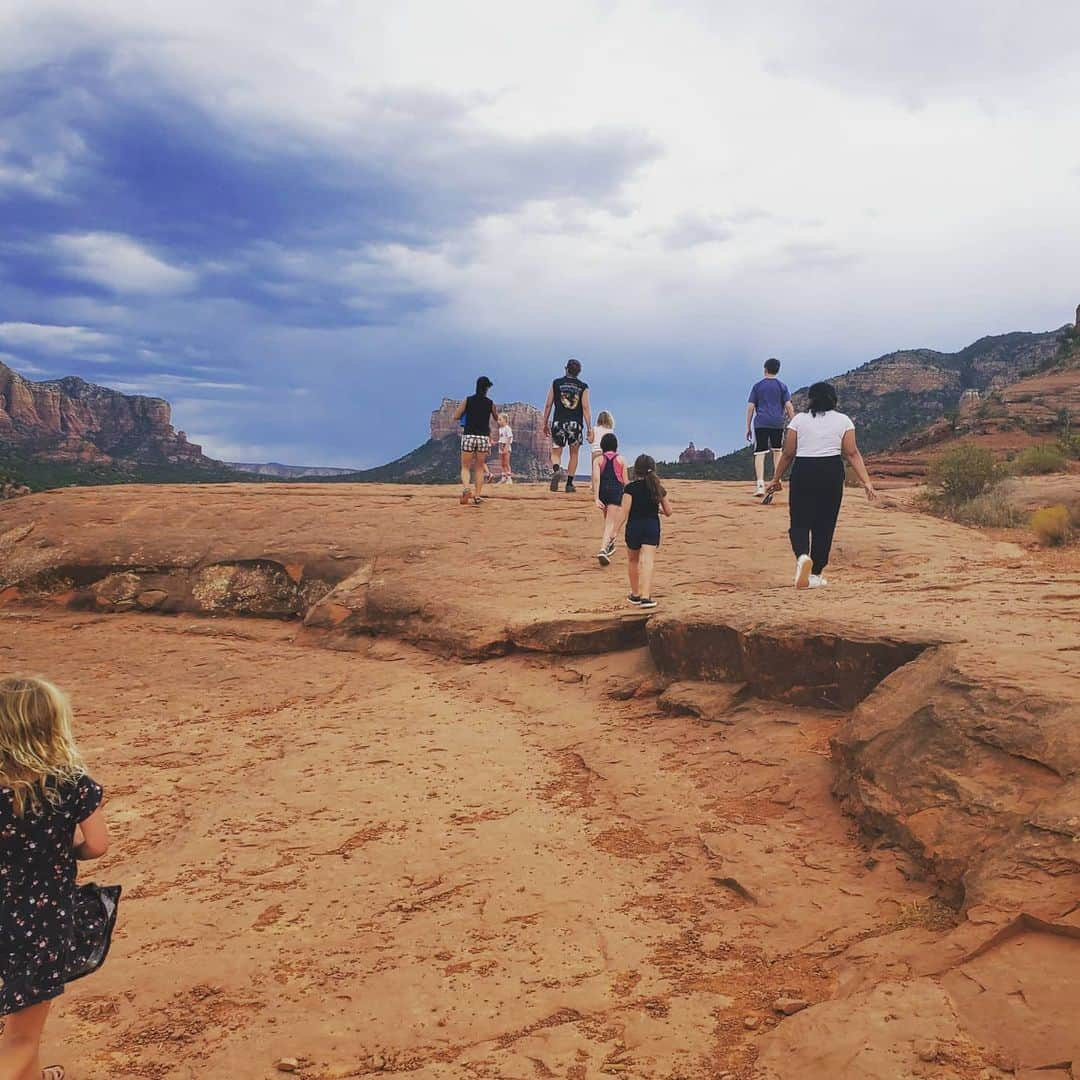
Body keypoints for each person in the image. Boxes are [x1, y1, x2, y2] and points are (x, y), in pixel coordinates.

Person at [1, 676, 115, 1080]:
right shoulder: (71, 784)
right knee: (20, 1037)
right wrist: (64, 855)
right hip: (38, 921)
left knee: (19, 1027)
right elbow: (97, 844)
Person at [765, 381, 876, 589]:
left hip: (804, 470)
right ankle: (815, 575)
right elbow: (852, 453)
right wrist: (866, 482)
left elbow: (788, 453)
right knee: (825, 524)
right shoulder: (844, 421)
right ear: (834, 399)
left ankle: (802, 558)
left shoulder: (799, 420)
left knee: (799, 520)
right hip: (831, 471)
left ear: (811, 399)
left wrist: (776, 478)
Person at [620, 454, 672, 609]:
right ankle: (646, 597)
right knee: (648, 561)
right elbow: (669, 511)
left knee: (633, 561)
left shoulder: (630, 488)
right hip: (651, 526)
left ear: (636, 470)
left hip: (634, 526)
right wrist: (659, 511)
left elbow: (624, 511)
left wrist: (613, 531)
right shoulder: (657, 488)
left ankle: (635, 595)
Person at [746, 358, 795, 497]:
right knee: (777, 451)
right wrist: (795, 422)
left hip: (761, 422)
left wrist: (748, 427)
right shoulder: (782, 386)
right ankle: (776, 481)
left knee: (760, 453)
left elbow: (750, 407)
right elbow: (788, 406)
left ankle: (760, 485)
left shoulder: (757, 386)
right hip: (777, 423)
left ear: (765, 369)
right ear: (777, 370)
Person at [543, 359, 593, 494]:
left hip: (559, 422)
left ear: (566, 369)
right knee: (574, 454)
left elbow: (548, 404)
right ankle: (569, 484)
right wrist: (589, 428)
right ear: (579, 372)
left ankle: (556, 469)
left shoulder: (556, 383)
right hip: (575, 424)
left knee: (556, 452)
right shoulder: (583, 387)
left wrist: (544, 422)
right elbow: (586, 408)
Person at [453, 376, 499, 505]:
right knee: (479, 468)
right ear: (487, 388)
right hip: (483, 438)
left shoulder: (468, 400)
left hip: (468, 436)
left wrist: (466, 414)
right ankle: (477, 497)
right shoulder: (490, 403)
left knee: (465, 467)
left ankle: (467, 488)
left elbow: (456, 416)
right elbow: (496, 418)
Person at [592, 433, 627, 566]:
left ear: (602, 446)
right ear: (616, 446)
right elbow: (625, 481)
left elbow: (596, 479)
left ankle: (610, 544)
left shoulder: (598, 460)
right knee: (610, 523)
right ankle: (603, 549)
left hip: (603, 492)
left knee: (608, 519)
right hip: (615, 491)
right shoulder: (621, 460)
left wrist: (596, 498)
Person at [497, 413, 514, 485]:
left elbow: (509, 437)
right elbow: (501, 438)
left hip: (506, 446)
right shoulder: (500, 429)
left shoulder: (507, 428)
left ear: (505, 420)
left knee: (507, 463)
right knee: (502, 463)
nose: (498, 421)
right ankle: (503, 477)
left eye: (500, 419)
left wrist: (506, 447)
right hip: (501, 446)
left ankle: (509, 478)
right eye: (498, 420)